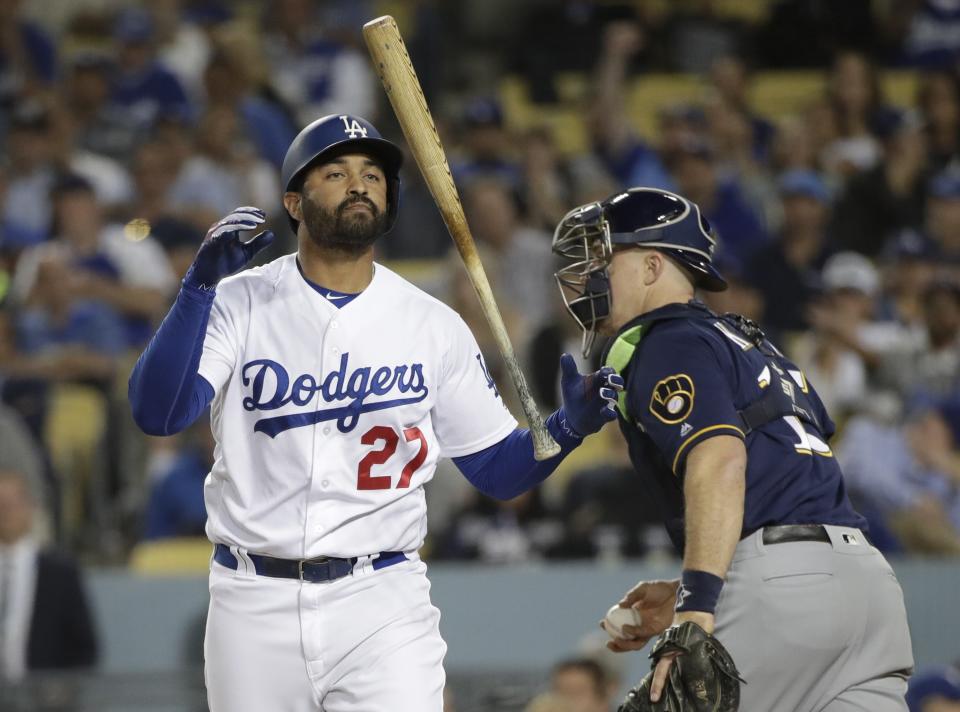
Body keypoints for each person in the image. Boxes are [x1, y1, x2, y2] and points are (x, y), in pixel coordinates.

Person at [127, 113, 622, 712]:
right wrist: (197, 290)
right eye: (335, 172)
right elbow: (158, 412)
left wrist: (567, 428)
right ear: (294, 201)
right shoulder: (241, 301)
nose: (360, 184)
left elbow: (498, 470)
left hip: (382, 598)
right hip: (252, 602)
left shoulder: (431, 323)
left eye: (373, 174)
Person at [551, 186, 914, 710]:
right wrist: (687, 590)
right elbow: (782, 486)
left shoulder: (666, 338)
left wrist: (695, 609)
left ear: (653, 268)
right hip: (867, 587)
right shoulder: (749, 342)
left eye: (606, 258)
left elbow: (721, 460)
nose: (590, 275)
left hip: (779, 591)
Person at [0, 468, 98, 680]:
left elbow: (84, 648)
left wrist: (62, 694)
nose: (5, 512)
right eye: (0, 504)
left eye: (12, 504)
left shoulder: (60, 574)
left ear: (30, 507)